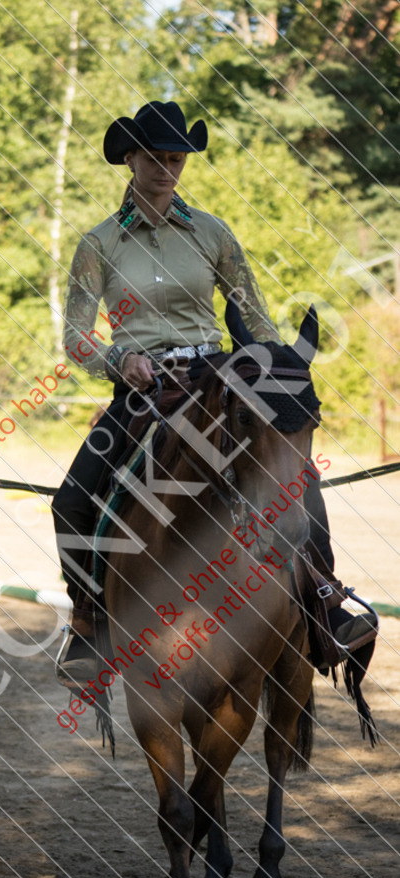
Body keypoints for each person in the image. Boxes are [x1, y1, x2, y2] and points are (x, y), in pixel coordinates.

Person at [51, 100, 376, 685]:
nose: (169, 168)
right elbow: (75, 337)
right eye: (157, 157)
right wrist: (118, 358)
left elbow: (251, 310)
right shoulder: (98, 244)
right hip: (142, 390)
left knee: (293, 472)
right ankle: (88, 626)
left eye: (178, 158)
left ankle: (327, 603)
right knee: (72, 500)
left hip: (219, 380)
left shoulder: (212, 232)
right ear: (130, 159)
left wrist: (274, 373)